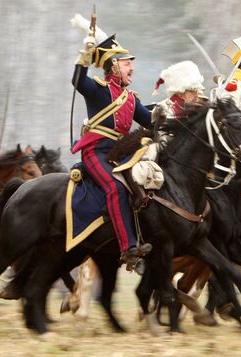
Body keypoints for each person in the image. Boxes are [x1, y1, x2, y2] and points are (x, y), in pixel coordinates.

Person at [71, 27, 152, 263]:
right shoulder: (97, 89)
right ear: (114, 65)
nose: (132, 68)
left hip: (120, 155)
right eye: (127, 64)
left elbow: (150, 120)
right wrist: (84, 56)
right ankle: (128, 247)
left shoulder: (130, 99)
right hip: (96, 152)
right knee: (115, 188)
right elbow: (77, 80)